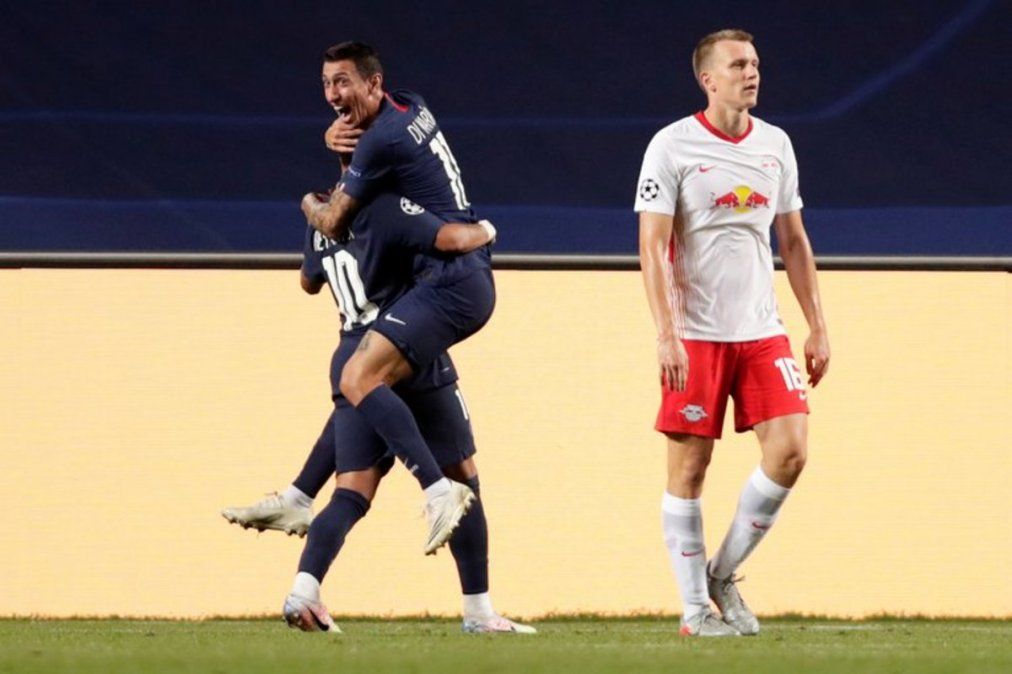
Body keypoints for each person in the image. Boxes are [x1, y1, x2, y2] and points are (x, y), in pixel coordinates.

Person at [225, 192, 533, 634]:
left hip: (350, 351)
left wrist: (316, 222)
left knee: (352, 491)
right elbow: (447, 240)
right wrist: (487, 230)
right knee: (461, 476)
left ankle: (303, 587)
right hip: (402, 351)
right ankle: (478, 608)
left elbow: (309, 281)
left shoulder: (322, 218)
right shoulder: (384, 207)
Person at [635, 29, 830, 637]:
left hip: (761, 330)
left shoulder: (775, 144)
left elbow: (792, 240)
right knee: (689, 473)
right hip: (695, 334)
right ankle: (695, 612)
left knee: (791, 451)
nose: (752, 73)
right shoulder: (672, 146)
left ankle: (722, 573)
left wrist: (817, 325)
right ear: (707, 79)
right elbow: (652, 243)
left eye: (755, 63)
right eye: (738, 64)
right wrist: (666, 334)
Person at [300, 42, 497, 553]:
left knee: (356, 377)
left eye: (342, 81)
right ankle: (299, 494)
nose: (333, 94)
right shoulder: (412, 104)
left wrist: (306, 201)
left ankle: (436, 492)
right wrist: (341, 144)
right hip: (447, 282)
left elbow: (333, 218)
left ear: (373, 83)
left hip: (448, 280)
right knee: (366, 389)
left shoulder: (379, 146)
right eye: (325, 83)